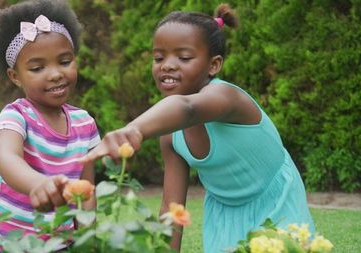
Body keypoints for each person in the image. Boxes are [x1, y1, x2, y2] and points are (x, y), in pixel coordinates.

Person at [80, 3, 315, 253]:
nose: (167, 65)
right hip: (224, 210)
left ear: (213, 65)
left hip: (274, 199)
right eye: (159, 57)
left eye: (183, 57)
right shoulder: (170, 134)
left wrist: (134, 129)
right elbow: (172, 209)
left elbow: (188, 108)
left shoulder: (227, 97)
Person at [0, 0, 100, 251]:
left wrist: (88, 235)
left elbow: (85, 189)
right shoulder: (16, 116)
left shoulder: (84, 122)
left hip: (60, 242)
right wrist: (37, 183)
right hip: (8, 243)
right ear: (15, 76)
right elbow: (6, 158)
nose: (55, 73)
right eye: (37, 67)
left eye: (65, 61)